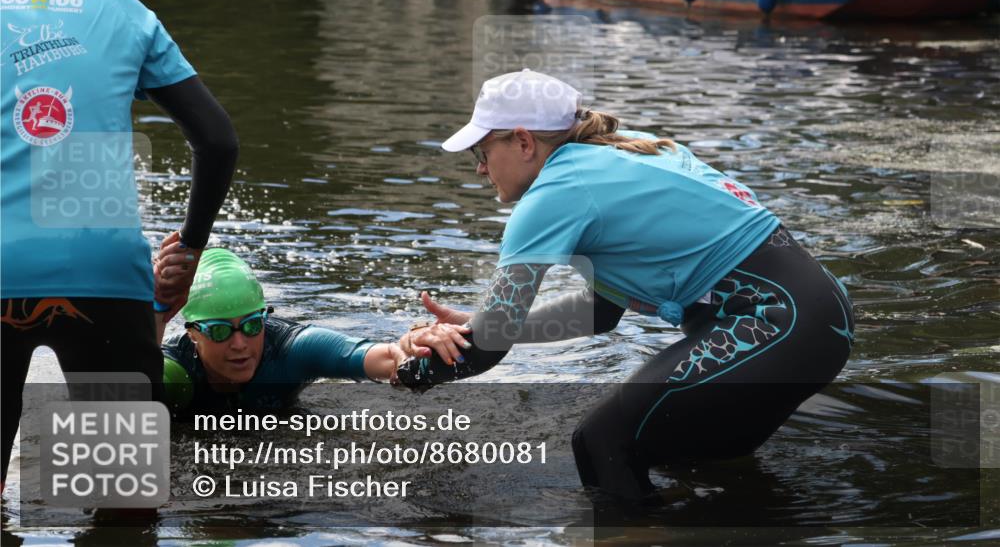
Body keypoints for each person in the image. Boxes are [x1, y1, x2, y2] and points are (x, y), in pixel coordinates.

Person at [395, 69, 855, 500]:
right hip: (819, 316)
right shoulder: (626, 148)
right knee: (699, 463)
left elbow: (486, 350)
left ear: (522, 141)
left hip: (777, 323)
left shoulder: (554, 194)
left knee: (600, 442)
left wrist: (400, 365)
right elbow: (598, 312)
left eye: (482, 153)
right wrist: (483, 322)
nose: (479, 169)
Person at [1, 0, 237, 486]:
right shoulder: (127, 11)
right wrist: (189, 247)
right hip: (107, 277)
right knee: (127, 495)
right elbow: (216, 139)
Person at [160, 249, 472, 415]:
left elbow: (384, 357)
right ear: (192, 334)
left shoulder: (290, 350)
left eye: (254, 324)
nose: (240, 343)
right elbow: (125, 388)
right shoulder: (177, 370)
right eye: (219, 331)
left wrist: (415, 344)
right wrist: (156, 316)